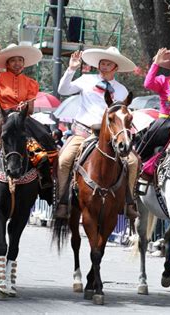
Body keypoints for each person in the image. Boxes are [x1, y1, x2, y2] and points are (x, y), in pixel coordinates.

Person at [55, 47, 139, 219]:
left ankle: (129, 202)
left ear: (116, 67)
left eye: (108, 64)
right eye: (102, 63)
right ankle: (62, 201)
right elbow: (63, 90)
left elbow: (121, 116)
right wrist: (71, 69)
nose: (104, 66)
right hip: (84, 132)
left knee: (133, 162)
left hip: (111, 138)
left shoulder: (122, 90)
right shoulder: (86, 79)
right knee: (64, 159)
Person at [0, 43, 57, 204]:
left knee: (45, 134)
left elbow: (30, 109)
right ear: (7, 63)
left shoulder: (31, 82)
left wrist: (23, 107)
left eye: (20, 60)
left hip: (21, 118)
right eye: (13, 61)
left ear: (24, 64)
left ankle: (46, 181)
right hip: (1, 116)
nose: (17, 64)